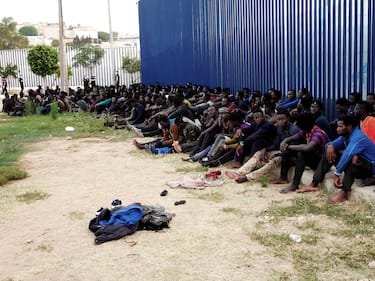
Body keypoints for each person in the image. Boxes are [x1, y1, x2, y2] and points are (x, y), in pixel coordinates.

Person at [300, 115, 375, 203]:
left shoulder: (358, 137)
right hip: (359, 166)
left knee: (353, 158)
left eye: (340, 126)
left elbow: (348, 154)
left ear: (349, 127)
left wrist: (337, 173)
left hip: (369, 170)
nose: (337, 129)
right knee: (330, 151)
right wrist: (330, 146)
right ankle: (314, 184)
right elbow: (328, 144)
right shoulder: (345, 136)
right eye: (337, 126)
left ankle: (344, 193)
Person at [226, 109, 299, 183]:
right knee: (259, 153)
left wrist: (277, 153)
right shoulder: (280, 129)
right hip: (280, 152)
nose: (280, 121)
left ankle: (248, 177)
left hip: (292, 156)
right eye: (278, 119)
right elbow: (276, 144)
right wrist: (265, 149)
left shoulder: (294, 130)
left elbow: (293, 148)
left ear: (288, 118)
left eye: (282, 119)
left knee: (273, 160)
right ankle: (240, 172)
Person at [272, 112, 330, 193]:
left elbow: (308, 147)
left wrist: (288, 146)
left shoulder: (318, 133)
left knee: (302, 153)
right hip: (314, 158)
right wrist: (284, 141)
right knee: (288, 151)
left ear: (305, 124)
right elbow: (293, 137)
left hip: (321, 162)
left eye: (300, 124)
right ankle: (283, 178)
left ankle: (295, 185)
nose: (298, 126)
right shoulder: (307, 130)